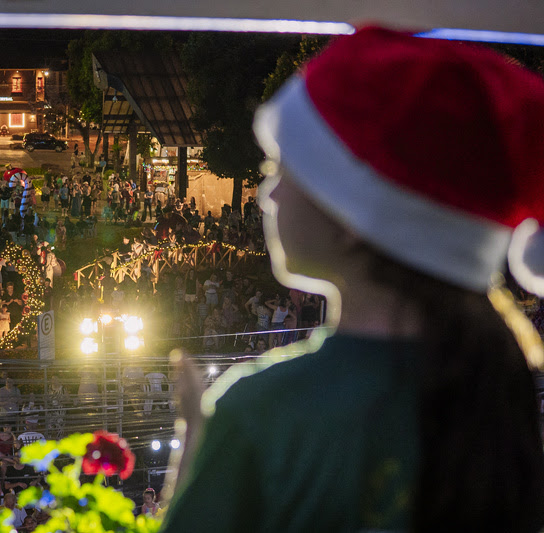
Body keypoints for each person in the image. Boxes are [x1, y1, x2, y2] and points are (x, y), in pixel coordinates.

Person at [162, 27, 544, 532]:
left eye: (279, 168)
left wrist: (197, 450)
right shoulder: (501, 387)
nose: (265, 195)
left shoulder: (261, 410)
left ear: (351, 215)